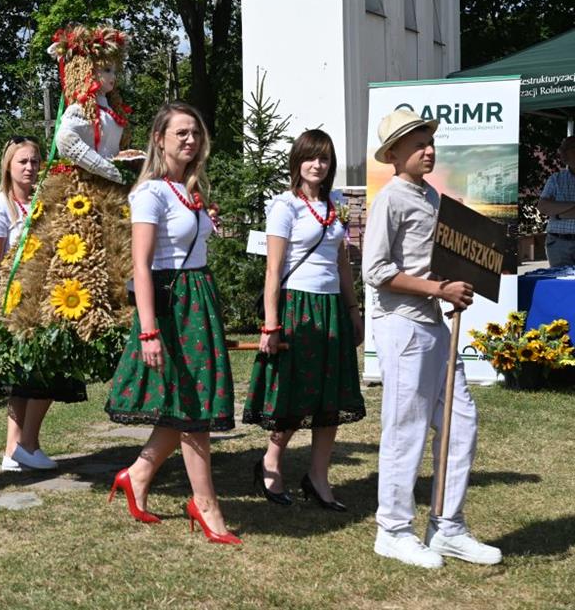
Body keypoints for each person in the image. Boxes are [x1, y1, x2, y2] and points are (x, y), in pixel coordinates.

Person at [0, 25, 138, 471]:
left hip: (107, 199)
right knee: (63, 287)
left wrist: (125, 164)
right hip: (81, 197)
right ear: (85, 70)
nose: (110, 78)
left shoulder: (107, 109)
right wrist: (110, 169)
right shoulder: (78, 109)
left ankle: (20, 446)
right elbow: (68, 142)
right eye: (102, 70)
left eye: (113, 70)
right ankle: (21, 445)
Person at [363, 108, 502, 569]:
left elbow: (435, 262)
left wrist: (457, 282)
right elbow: (375, 270)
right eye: (418, 144)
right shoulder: (390, 199)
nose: (428, 150)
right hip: (402, 326)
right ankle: (393, 530)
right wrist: (437, 289)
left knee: (461, 423)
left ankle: (447, 527)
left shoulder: (431, 197)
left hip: (435, 326)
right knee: (405, 428)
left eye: (430, 142)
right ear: (393, 154)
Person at [104, 102, 240, 545]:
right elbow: (141, 266)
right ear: (159, 139)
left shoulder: (189, 191)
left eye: (195, 133)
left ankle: (137, 474)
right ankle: (205, 503)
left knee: (185, 402)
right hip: (171, 304)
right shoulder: (151, 193)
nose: (190, 140)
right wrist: (148, 330)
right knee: (195, 407)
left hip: (198, 299)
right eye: (181, 133)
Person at [245, 129, 366, 510]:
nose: (318, 164)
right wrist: (271, 323)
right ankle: (271, 463)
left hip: (331, 308)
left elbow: (342, 262)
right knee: (295, 393)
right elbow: (273, 269)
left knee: (330, 395)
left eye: (324, 158)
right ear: (297, 162)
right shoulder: (285, 206)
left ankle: (318, 477)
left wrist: (353, 309)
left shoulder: (335, 204)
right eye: (311, 157)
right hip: (298, 307)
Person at [0, 137, 81, 472]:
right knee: (37, 373)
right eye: (22, 161)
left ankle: (14, 449)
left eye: (35, 161)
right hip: (16, 302)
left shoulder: (44, 201)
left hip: (47, 297)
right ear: (8, 166)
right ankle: (27, 444)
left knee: (29, 376)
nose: (30, 167)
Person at [536, 135, 575, 266]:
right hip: (558, 245)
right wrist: (572, 205)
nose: (562, 152)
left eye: (567, 148)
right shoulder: (556, 179)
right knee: (559, 279)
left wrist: (558, 213)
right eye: (562, 148)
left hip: (558, 243)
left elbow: (549, 207)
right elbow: (543, 206)